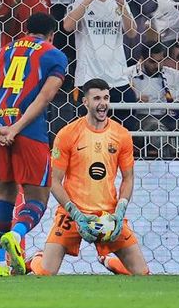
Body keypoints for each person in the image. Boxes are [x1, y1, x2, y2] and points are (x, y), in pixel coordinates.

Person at [0, 12, 67, 276]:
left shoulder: (2, 52)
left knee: (5, 195)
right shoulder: (54, 55)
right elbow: (45, 97)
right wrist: (16, 128)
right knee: (38, 197)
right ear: (51, 35)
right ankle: (15, 235)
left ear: (26, 31)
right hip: (29, 133)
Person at [28, 78, 150, 276]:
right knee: (44, 273)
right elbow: (54, 181)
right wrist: (75, 214)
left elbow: (128, 178)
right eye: (97, 98)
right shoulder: (67, 134)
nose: (103, 103)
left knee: (142, 274)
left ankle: (108, 260)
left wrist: (120, 211)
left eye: (106, 98)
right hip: (72, 214)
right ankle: (36, 258)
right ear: (85, 102)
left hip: (108, 215)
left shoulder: (121, 135)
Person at [63, 0, 139, 129]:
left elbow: (132, 32)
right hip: (89, 79)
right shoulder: (80, 1)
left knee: (124, 132)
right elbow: (67, 26)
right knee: (89, 133)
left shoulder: (119, 1)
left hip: (118, 79)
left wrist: (122, 6)